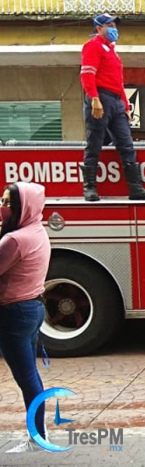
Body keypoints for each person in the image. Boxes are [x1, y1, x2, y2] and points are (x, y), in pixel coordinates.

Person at [80, 13, 145, 202]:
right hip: (101, 98)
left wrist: (126, 105)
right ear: (99, 28)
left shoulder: (112, 51)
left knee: (126, 144)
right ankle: (89, 188)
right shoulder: (93, 46)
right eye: (110, 25)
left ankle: (135, 188)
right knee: (95, 143)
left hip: (116, 101)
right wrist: (94, 99)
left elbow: (119, 82)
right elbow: (87, 74)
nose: (115, 29)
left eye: (115, 25)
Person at [0, 182, 51, 453]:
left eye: (8, 202)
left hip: (13, 313)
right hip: (31, 309)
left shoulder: (15, 240)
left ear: (23, 207)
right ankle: (39, 433)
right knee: (30, 375)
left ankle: (37, 437)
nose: (2, 206)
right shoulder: (36, 231)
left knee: (26, 377)